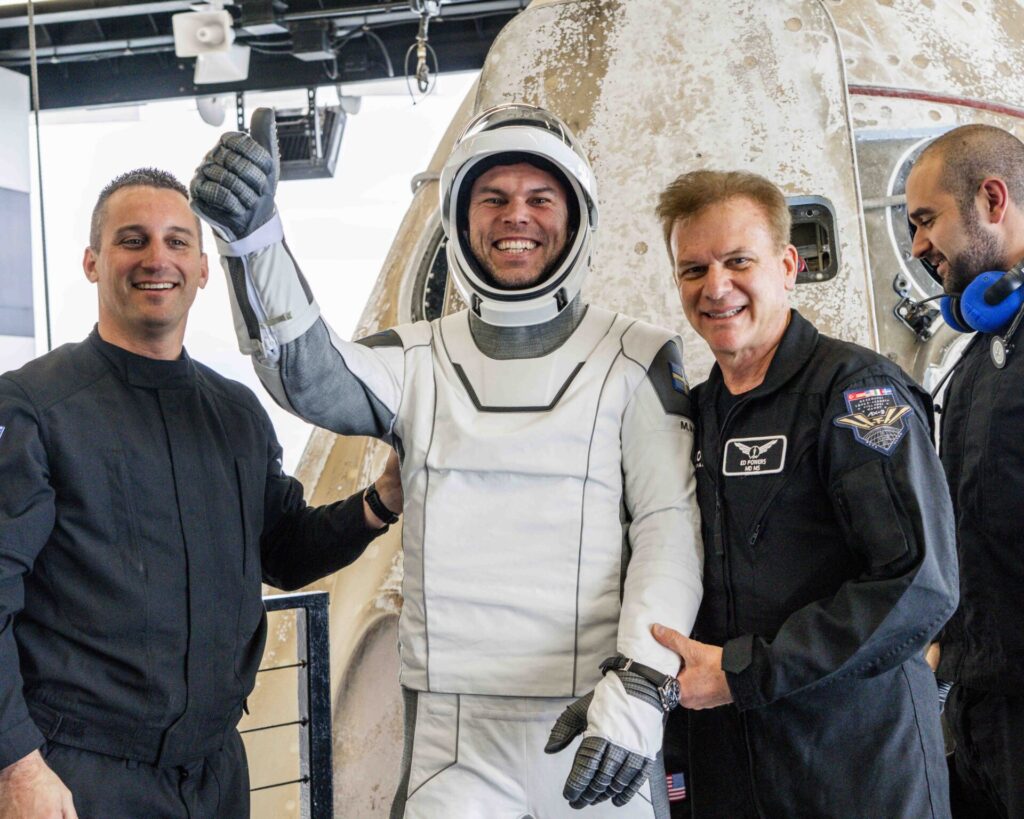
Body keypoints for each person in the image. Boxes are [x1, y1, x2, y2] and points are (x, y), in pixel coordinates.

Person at [190, 104, 703, 817]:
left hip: (593, 716)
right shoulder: (417, 359)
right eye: (492, 198)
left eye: (538, 199)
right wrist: (255, 240)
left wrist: (645, 685)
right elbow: (309, 374)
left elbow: (669, 528)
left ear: (576, 216)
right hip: (452, 737)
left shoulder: (636, 357)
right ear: (460, 221)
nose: (514, 216)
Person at [0, 169, 400, 819]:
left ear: (204, 269)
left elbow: (284, 550)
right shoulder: (35, 408)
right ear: (92, 262)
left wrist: (379, 501)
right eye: (133, 240)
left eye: (178, 241)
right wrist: (16, 767)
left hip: (215, 774)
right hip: (81, 777)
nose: (158, 257)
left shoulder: (237, 413)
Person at [651, 169, 958, 818]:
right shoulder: (694, 413)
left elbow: (916, 583)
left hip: (856, 770)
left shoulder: (854, 393)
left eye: (738, 261)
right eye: (692, 269)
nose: (716, 287)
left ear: (788, 265)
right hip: (737, 770)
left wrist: (744, 673)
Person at [906, 124, 1024, 818]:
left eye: (926, 220)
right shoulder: (980, 352)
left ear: (991, 197)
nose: (919, 246)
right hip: (981, 700)